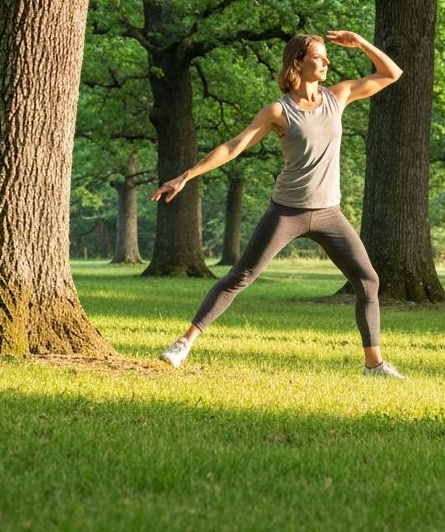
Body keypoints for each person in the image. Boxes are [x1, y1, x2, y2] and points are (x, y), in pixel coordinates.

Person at [152, 29, 405, 378]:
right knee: (241, 276)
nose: (326, 62)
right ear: (297, 64)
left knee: (368, 280)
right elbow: (234, 146)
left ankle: (373, 364)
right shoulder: (278, 111)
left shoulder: (339, 96)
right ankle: (183, 344)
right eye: (318, 57)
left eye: (326, 56)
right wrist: (186, 176)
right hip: (287, 211)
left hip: (329, 212)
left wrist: (360, 42)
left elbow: (392, 73)